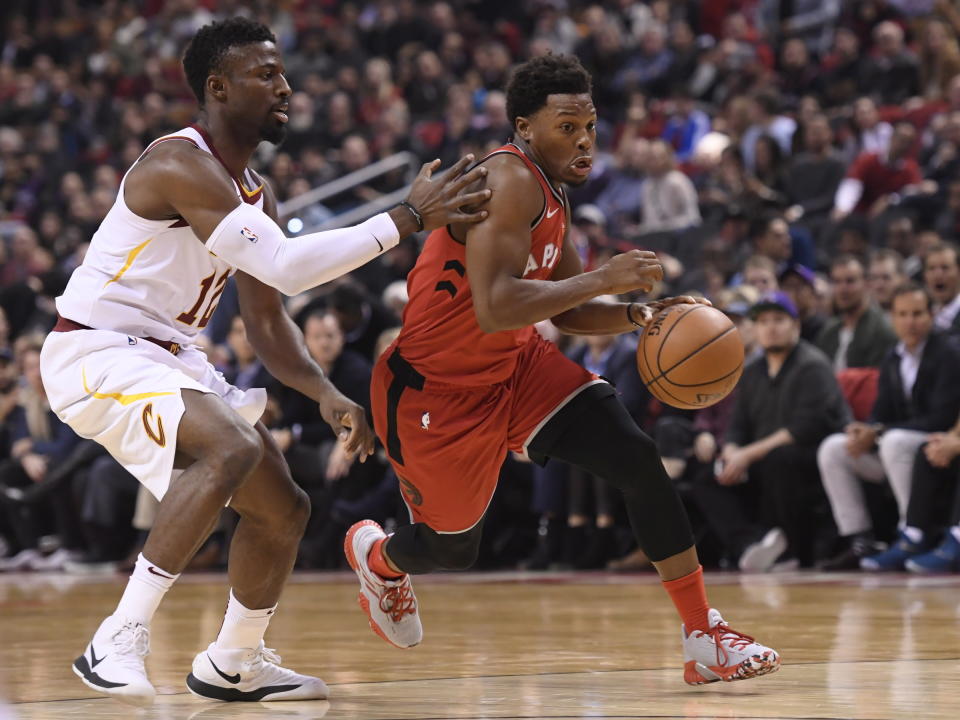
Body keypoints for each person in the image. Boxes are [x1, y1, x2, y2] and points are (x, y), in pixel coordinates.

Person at [39, 18, 490, 706]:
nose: (285, 87)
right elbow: (285, 266)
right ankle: (118, 637)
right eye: (265, 75)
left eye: (283, 73)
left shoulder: (255, 192)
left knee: (283, 508)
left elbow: (268, 320)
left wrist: (323, 393)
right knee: (228, 448)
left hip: (170, 357)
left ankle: (233, 662)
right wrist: (404, 217)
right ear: (218, 88)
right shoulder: (177, 164)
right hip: (95, 347)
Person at [344, 54, 780, 685]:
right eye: (567, 127)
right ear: (525, 127)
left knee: (637, 459)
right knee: (450, 548)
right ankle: (380, 560)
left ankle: (703, 636)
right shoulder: (510, 179)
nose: (584, 141)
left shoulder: (551, 192)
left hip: (516, 368)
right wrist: (602, 276)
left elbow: (569, 310)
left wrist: (642, 315)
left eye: (590, 126)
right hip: (435, 392)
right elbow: (495, 306)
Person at [816, 283, 960, 571]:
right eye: (903, 314)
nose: (911, 321)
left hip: (935, 444)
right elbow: (880, 412)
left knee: (894, 441)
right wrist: (864, 429)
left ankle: (914, 532)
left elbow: (941, 418)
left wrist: (879, 432)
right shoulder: (892, 356)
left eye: (918, 313)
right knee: (833, 449)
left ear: (931, 315)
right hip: (901, 448)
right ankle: (860, 538)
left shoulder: (948, 353)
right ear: (891, 318)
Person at [710, 292, 848, 570]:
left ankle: (792, 552)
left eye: (779, 320)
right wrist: (732, 451)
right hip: (764, 458)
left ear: (796, 326)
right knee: (708, 474)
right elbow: (737, 425)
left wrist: (747, 455)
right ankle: (751, 544)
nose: (771, 327)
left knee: (781, 458)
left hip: (813, 459)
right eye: (763, 321)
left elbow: (802, 429)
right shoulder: (751, 372)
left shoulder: (813, 366)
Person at [817, 255, 897, 371]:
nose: (842, 289)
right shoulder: (828, 331)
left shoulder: (882, 331)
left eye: (850, 281)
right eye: (837, 282)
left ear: (866, 284)